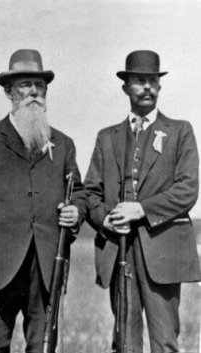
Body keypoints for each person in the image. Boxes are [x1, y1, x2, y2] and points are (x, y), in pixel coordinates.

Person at [0, 49, 86, 352]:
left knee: (42, 344)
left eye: (39, 86)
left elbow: (78, 192)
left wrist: (75, 212)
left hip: (47, 259)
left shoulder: (63, 143)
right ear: (8, 91)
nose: (33, 92)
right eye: (25, 85)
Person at [84, 50, 200, 352]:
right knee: (124, 341)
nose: (147, 87)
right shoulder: (107, 137)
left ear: (159, 87)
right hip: (119, 249)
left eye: (152, 81)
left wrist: (141, 209)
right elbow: (90, 194)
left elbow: (188, 189)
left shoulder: (181, 131)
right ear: (126, 87)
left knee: (164, 342)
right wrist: (104, 218)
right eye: (139, 81)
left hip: (162, 251)